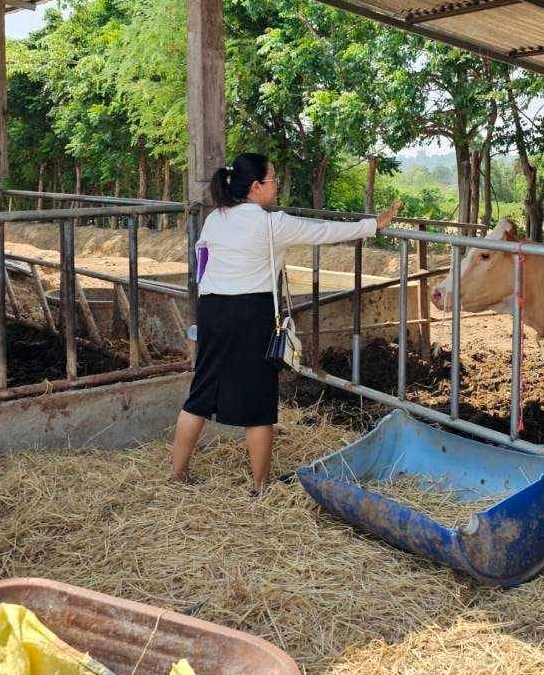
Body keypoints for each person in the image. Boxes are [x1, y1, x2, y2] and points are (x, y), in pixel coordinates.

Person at [171, 153, 401, 491]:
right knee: (259, 400)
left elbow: (202, 261)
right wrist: (374, 225)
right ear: (256, 186)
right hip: (250, 312)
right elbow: (323, 230)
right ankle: (260, 485)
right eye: (273, 178)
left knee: (201, 392)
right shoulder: (272, 223)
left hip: (212, 310)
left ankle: (177, 473)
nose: (277, 184)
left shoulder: (214, 219)